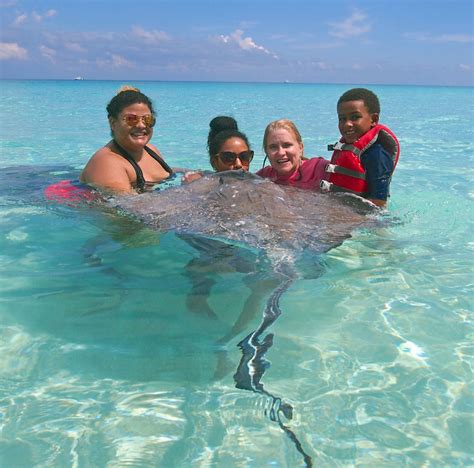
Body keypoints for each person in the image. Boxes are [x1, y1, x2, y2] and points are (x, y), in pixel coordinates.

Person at [80, 86, 174, 194]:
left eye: (147, 119)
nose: (141, 125)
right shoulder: (107, 162)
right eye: (131, 119)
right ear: (113, 123)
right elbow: (129, 206)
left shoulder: (150, 150)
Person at [322, 87, 400, 207]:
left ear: (374, 119)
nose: (347, 124)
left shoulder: (377, 155)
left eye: (355, 117)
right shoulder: (348, 147)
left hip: (358, 216)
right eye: (342, 119)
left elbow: (379, 201)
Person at [256, 119, 328, 189]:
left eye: (287, 145)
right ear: (266, 151)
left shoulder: (318, 168)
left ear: (300, 147)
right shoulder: (262, 177)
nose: (281, 153)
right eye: (273, 147)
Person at [182, 115, 254, 183]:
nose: (238, 164)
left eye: (244, 156)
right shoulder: (197, 183)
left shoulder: (196, 180)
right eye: (229, 158)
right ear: (214, 162)